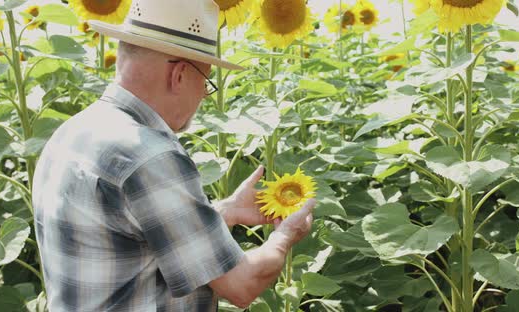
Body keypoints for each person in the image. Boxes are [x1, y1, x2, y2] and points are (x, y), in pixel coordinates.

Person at [31, 0, 316, 311]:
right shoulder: (149, 155)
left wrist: (229, 210)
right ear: (179, 75)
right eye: (206, 84)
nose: (203, 99)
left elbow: (136, 239)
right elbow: (241, 285)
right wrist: (286, 235)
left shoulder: (72, 131)